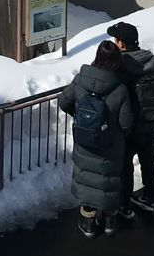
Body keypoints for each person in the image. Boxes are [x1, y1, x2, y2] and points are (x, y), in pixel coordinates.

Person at [57, 41, 134, 237]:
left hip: (85, 140)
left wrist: (82, 119)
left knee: (87, 179)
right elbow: (126, 124)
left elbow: (63, 101)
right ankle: (109, 222)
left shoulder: (80, 80)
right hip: (110, 144)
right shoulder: (120, 89)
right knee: (108, 181)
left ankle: (88, 222)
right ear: (116, 62)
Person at [108, 22, 154, 216]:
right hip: (151, 120)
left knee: (126, 165)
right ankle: (149, 197)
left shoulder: (122, 65)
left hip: (131, 123)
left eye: (116, 39)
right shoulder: (149, 58)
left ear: (122, 43)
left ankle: (124, 205)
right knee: (148, 160)